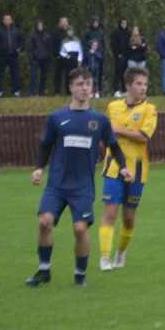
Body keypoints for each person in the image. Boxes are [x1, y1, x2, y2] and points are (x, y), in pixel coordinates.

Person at [25, 68, 131, 288]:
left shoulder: (99, 120)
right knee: (44, 222)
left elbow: (113, 145)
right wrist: (38, 168)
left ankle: (80, 274)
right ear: (71, 87)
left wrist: (123, 167)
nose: (85, 88)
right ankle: (44, 270)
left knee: (80, 228)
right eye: (80, 84)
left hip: (82, 185)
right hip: (57, 184)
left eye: (88, 84)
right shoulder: (57, 118)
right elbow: (46, 146)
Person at [98, 67, 157, 272]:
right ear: (128, 86)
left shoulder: (149, 110)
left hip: (137, 170)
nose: (143, 88)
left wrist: (118, 130)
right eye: (139, 84)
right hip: (113, 167)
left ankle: (121, 252)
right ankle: (104, 258)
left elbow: (143, 136)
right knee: (110, 211)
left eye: (145, 84)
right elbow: (104, 135)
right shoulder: (112, 107)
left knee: (129, 217)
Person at [0, 14, 24, 97]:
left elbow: (21, 41)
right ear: (3, 21)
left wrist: (18, 49)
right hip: (2, 56)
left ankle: (15, 91)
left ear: (11, 21)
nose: (7, 21)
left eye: (9, 19)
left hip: (13, 56)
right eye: (6, 19)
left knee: (14, 74)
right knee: (0, 74)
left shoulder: (16, 30)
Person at [82, 17, 106, 97]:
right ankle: (90, 92)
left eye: (97, 22)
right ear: (92, 23)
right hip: (89, 57)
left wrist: (101, 52)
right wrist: (88, 51)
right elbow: (84, 44)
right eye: (94, 22)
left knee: (98, 76)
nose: (96, 24)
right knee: (89, 77)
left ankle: (98, 91)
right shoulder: (87, 32)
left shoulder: (100, 32)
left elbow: (103, 44)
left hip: (98, 56)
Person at [28, 20, 52, 97]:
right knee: (34, 75)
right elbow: (30, 48)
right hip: (35, 58)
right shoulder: (33, 36)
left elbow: (49, 48)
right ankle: (33, 92)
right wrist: (32, 56)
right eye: (38, 26)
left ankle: (41, 92)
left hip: (45, 59)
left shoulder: (47, 36)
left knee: (44, 76)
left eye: (41, 26)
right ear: (36, 26)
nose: (40, 27)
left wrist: (49, 56)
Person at [110, 18, 131, 97]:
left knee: (125, 74)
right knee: (118, 73)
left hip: (127, 56)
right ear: (120, 23)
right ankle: (116, 90)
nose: (124, 25)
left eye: (125, 23)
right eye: (122, 23)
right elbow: (113, 44)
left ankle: (124, 90)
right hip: (118, 56)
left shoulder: (129, 32)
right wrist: (117, 53)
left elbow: (130, 44)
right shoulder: (115, 32)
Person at [51, 17, 70, 95]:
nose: (64, 23)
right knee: (58, 75)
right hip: (59, 57)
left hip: (68, 57)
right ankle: (57, 92)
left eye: (65, 22)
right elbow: (54, 46)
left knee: (68, 75)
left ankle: (68, 92)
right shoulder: (56, 33)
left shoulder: (69, 33)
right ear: (60, 23)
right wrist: (55, 55)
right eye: (62, 22)